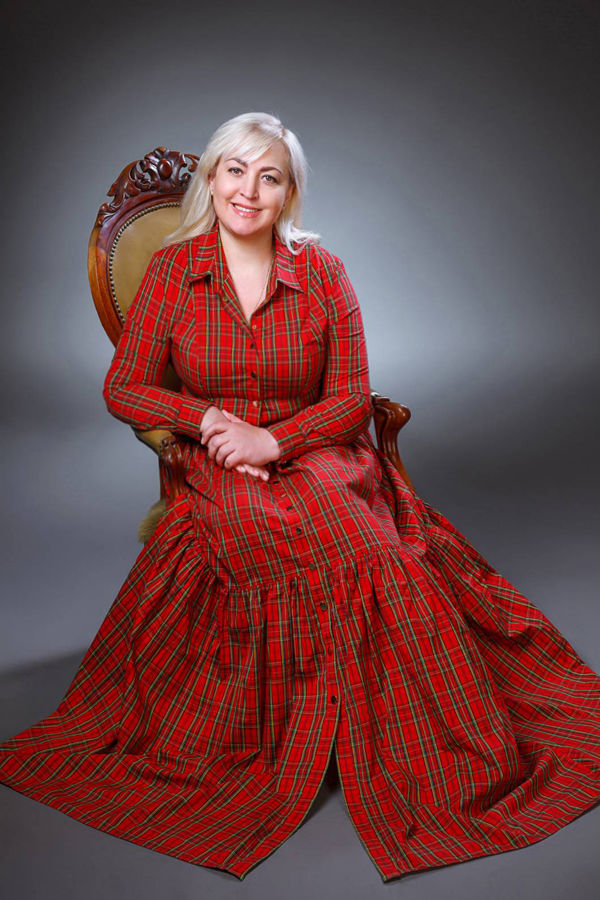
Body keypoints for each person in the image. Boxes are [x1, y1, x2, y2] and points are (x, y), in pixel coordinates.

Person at [0, 111, 599, 883]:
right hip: (220, 461)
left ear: (289, 193)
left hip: (319, 452)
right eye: (235, 171)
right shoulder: (174, 274)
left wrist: (275, 442)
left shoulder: (323, 273)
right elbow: (125, 386)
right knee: (265, 547)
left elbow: (349, 400)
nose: (248, 191)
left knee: (376, 554)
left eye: (270, 177)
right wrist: (208, 422)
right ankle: (298, 736)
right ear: (211, 179)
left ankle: (419, 751)